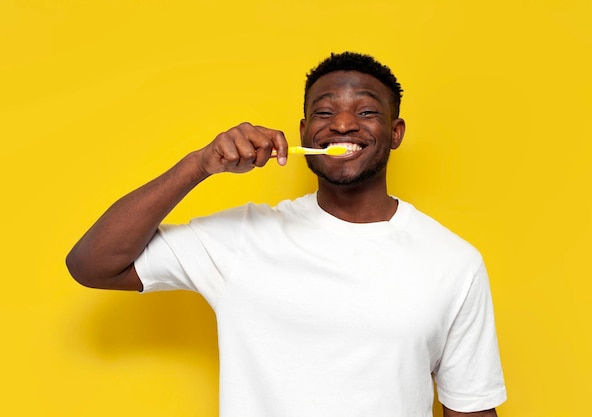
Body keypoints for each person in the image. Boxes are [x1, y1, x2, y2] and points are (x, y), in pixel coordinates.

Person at [66, 51, 506, 417]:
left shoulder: (453, 262)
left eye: (367, 111)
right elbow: (92, 264)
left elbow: (471, 408)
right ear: (302, 132)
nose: (343, 124)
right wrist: (198, 165)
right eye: (325, 112)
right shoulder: (242, 238)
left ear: (395, 133)